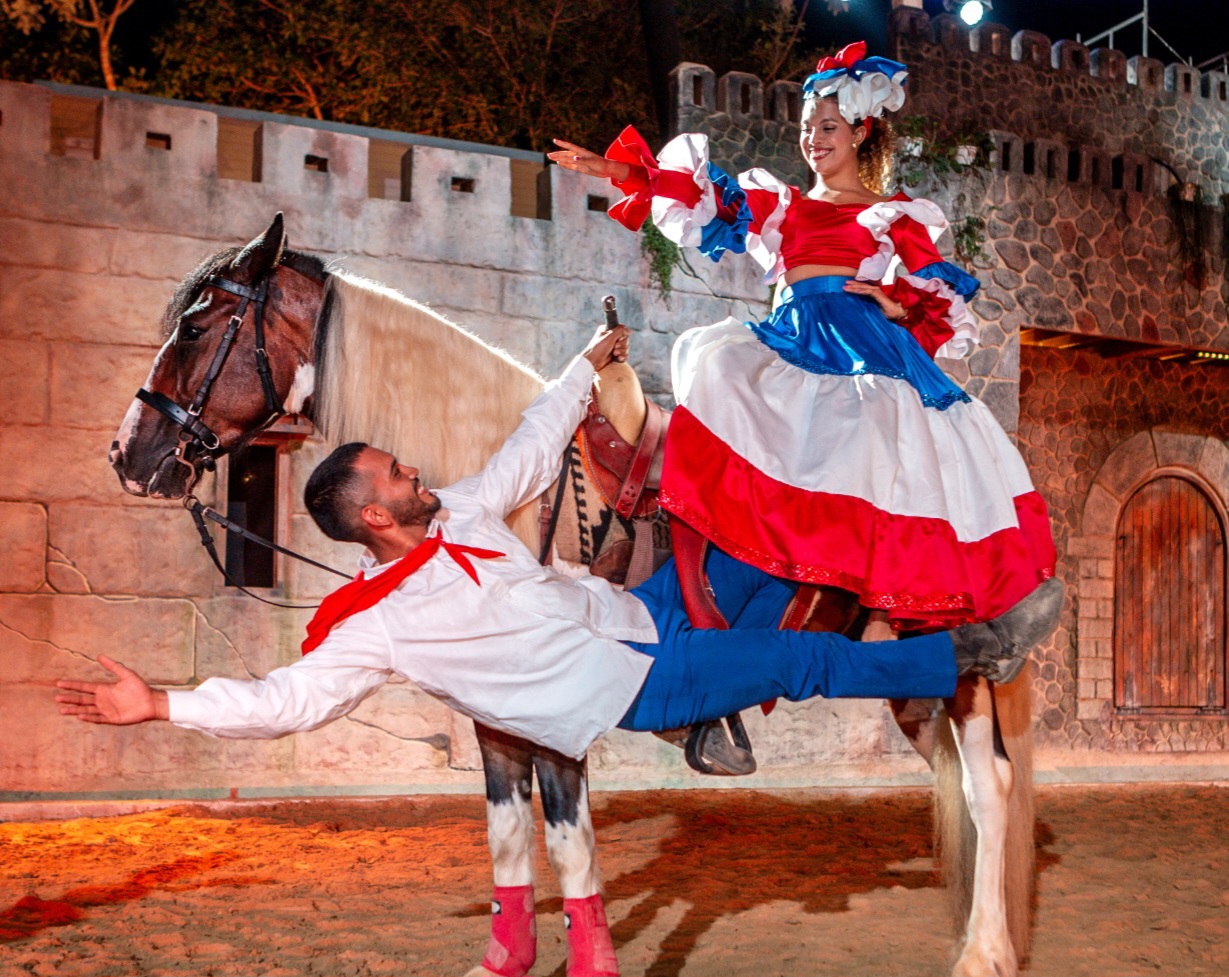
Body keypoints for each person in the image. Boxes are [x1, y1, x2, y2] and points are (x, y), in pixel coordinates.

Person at [57, 323, 1061, 977]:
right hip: (637, 682)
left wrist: (584, 364)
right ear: (371, 514)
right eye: (397, 473)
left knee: (760, 538)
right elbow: (284, 700)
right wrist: (164, 705)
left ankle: (908, 561)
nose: (417, 473)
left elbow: (530, 448)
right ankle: (965, 656)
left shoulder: (457, 511)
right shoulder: (371, 626)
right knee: (796, 665)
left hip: (642, 610)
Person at [548, 42, 1057, 636]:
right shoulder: (782, 205)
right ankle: (726, 578)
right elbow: (704, 199)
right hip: (794, 336)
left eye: (829, 126)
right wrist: (620, 171)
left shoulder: (892, 216)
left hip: (865, 345)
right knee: (719, 370)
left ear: (862, 132)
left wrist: (896, 303)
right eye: (808, 127)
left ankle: (868, 600)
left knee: (876, 445)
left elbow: (939, 305)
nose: (814, 138)